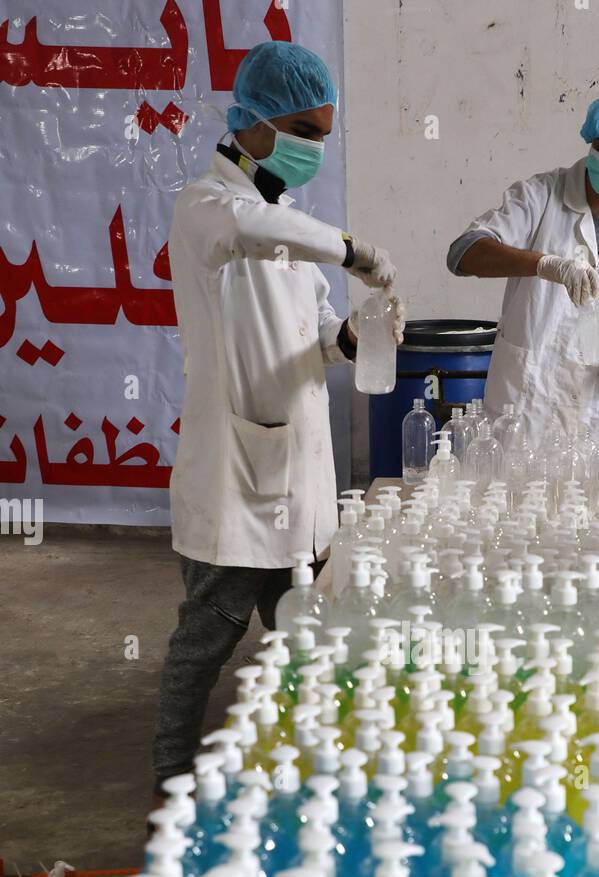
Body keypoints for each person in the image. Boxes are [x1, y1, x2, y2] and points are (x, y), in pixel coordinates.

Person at [152, 41, 403, 792]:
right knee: (206, 638)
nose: (313, 148)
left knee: (310, 629)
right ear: (252, 122)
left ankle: (311, 772)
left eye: (325, 134)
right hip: (234, 475)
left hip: (297, 473)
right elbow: (250, 232)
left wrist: (355, 335)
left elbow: (317, 335)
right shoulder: (207, 207)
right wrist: (352, 249)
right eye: (304, 130)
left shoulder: (285, 218)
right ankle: (169, 777)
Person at [447, 81, 599, 451]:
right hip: (526, 410)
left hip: (597, 418)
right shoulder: (540, 195)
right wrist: (545, 265)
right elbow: (463, 254)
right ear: (590, 138)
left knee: (592, 508)